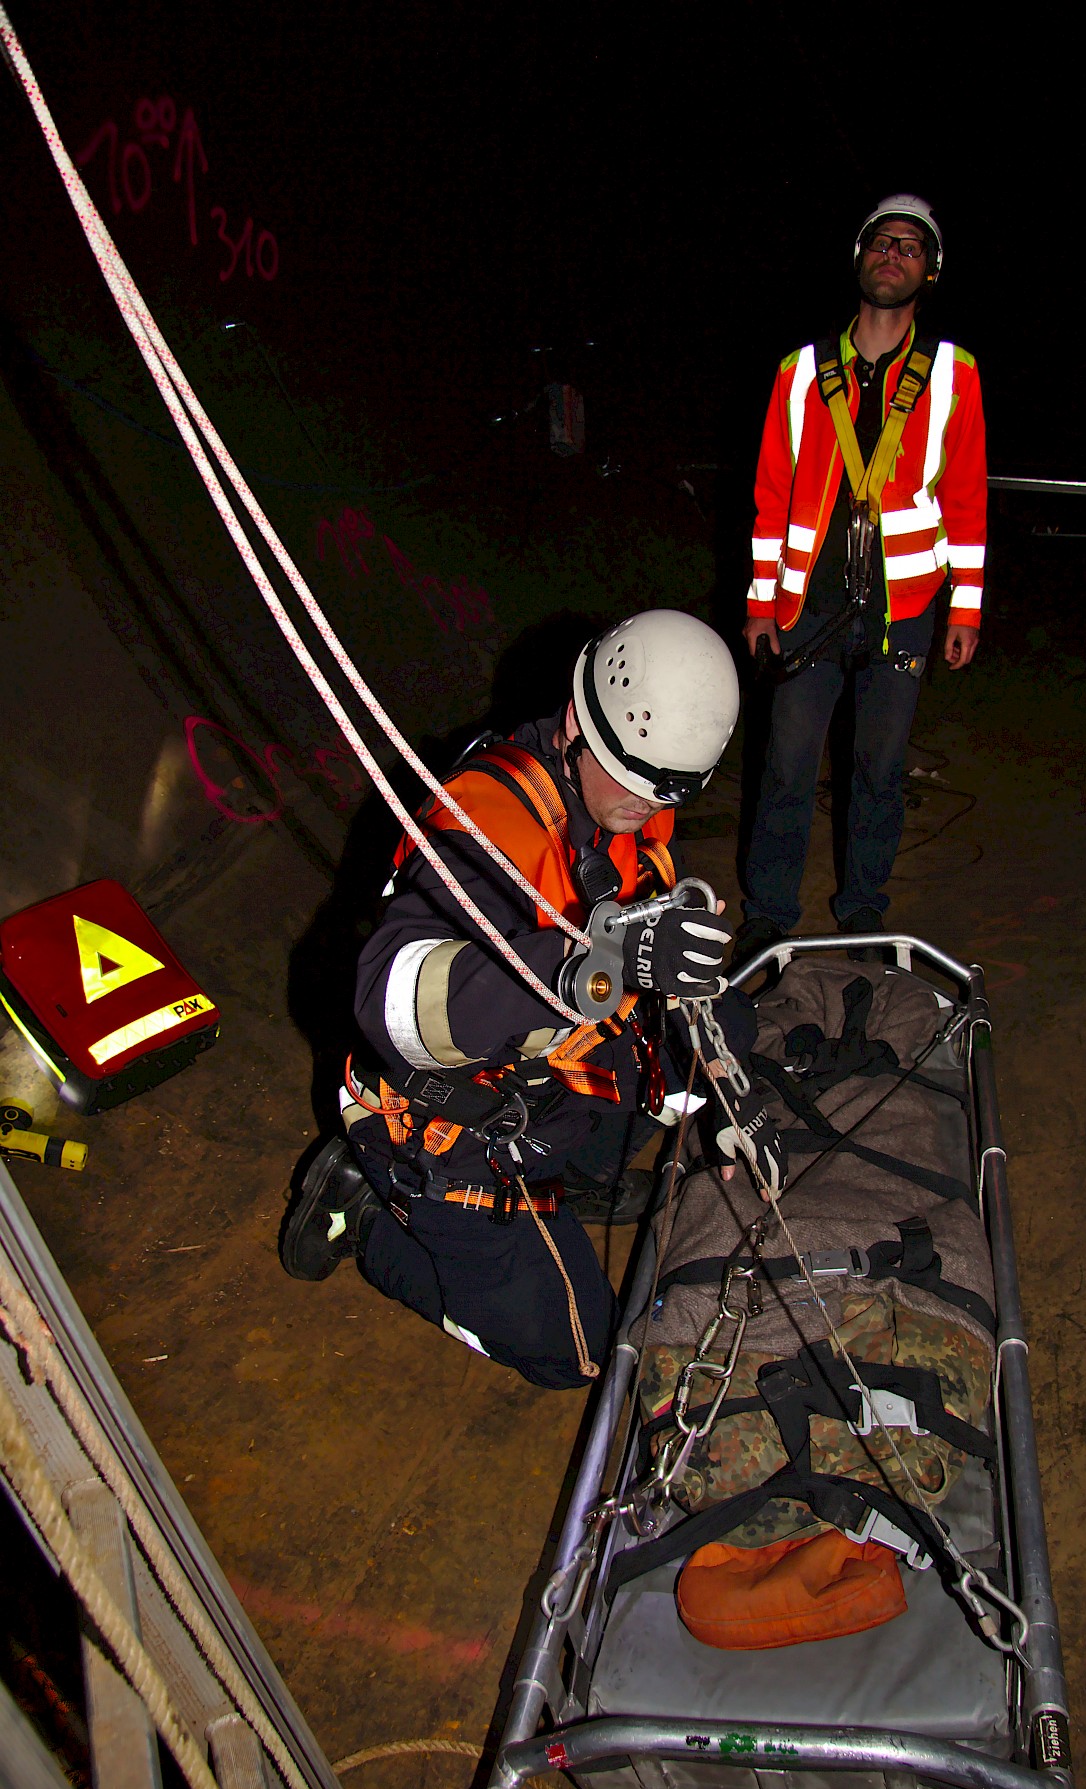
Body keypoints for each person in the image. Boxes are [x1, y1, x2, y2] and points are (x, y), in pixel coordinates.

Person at [281, 610, 760, 1390]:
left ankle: (576, 1176)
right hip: (443, 1119)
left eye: (665, 791)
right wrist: (602, 961)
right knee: (579, 1352)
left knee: (725, 1027)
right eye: (634, 783)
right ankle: (362, 1211)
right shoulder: (485, 823)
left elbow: (664, 986)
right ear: (578, 722)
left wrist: (729, 1106)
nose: (645, 808)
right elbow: (389, 1000)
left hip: (537, 1076)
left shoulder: (625, 790)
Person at [737, 194, 986, 964]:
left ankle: (865, 915)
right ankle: (768, 911)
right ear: (859, 258)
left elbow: (968, 496)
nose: (894, 254)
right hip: (807, 604)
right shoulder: (801, 370)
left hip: (904, 608)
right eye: (882, 242)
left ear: (930, 271)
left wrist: (965, 609)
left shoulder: (953, 372)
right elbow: (772, 490)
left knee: (878, 771)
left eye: (911, 246)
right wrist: (758, 601)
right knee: (786, 763)